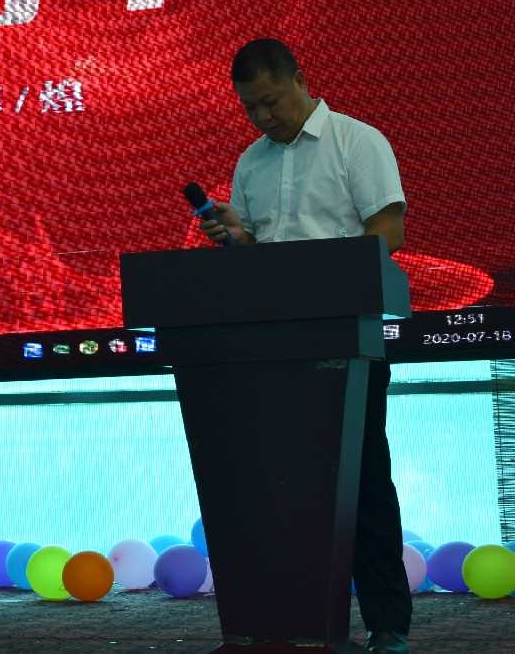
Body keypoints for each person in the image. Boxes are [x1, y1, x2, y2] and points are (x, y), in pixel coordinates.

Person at [198, 38, 410, 654]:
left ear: (299, 79)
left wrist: (324, 274)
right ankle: (283, 623)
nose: (262, 117)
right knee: (278, 488)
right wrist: (237, 239)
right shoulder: (250, 163)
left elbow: (388, 229)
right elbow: (259, 260)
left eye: (270, 101)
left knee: (364, 483)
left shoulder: (357, 142)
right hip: (272, 351)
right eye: (249, 108)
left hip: (347, 339)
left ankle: (387, 626)